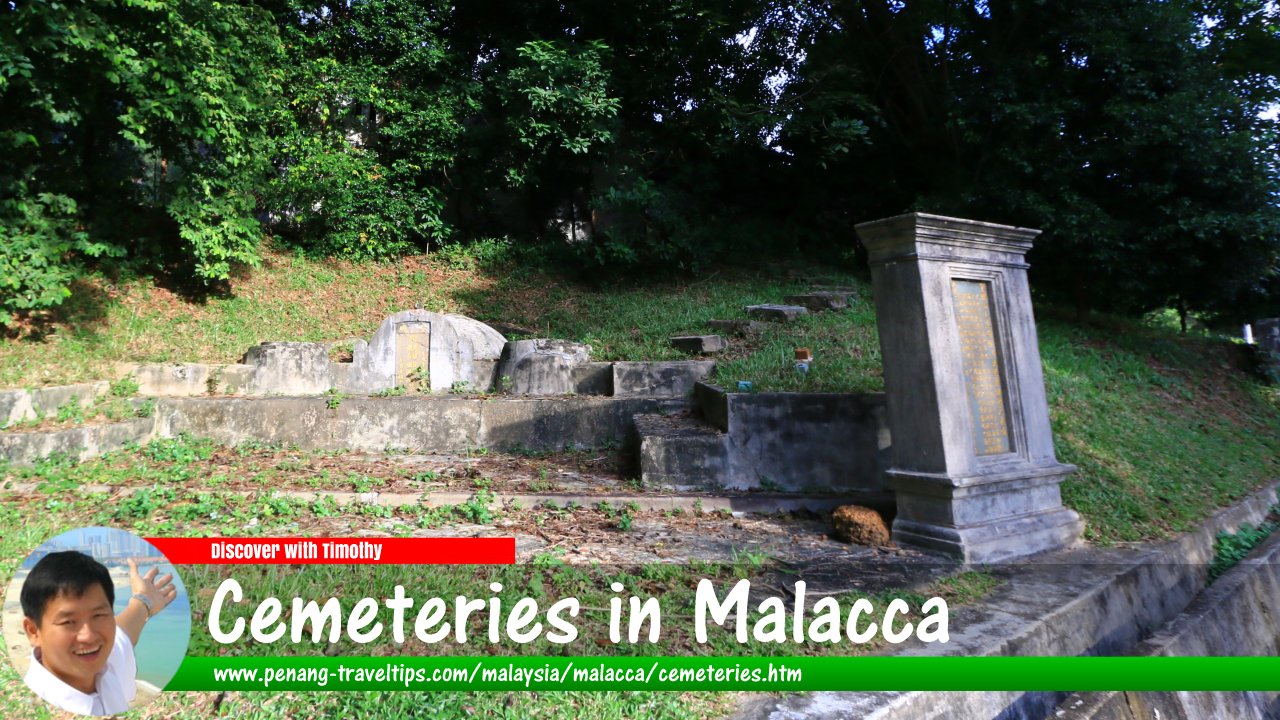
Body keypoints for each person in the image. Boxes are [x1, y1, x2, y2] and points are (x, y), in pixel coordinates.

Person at [20, 550, 177, 716]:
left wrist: (144, 600)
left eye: (98, 615)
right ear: (33, 631)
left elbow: (123, 633)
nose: (88, 636)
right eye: (68, 622)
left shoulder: (105, 661)